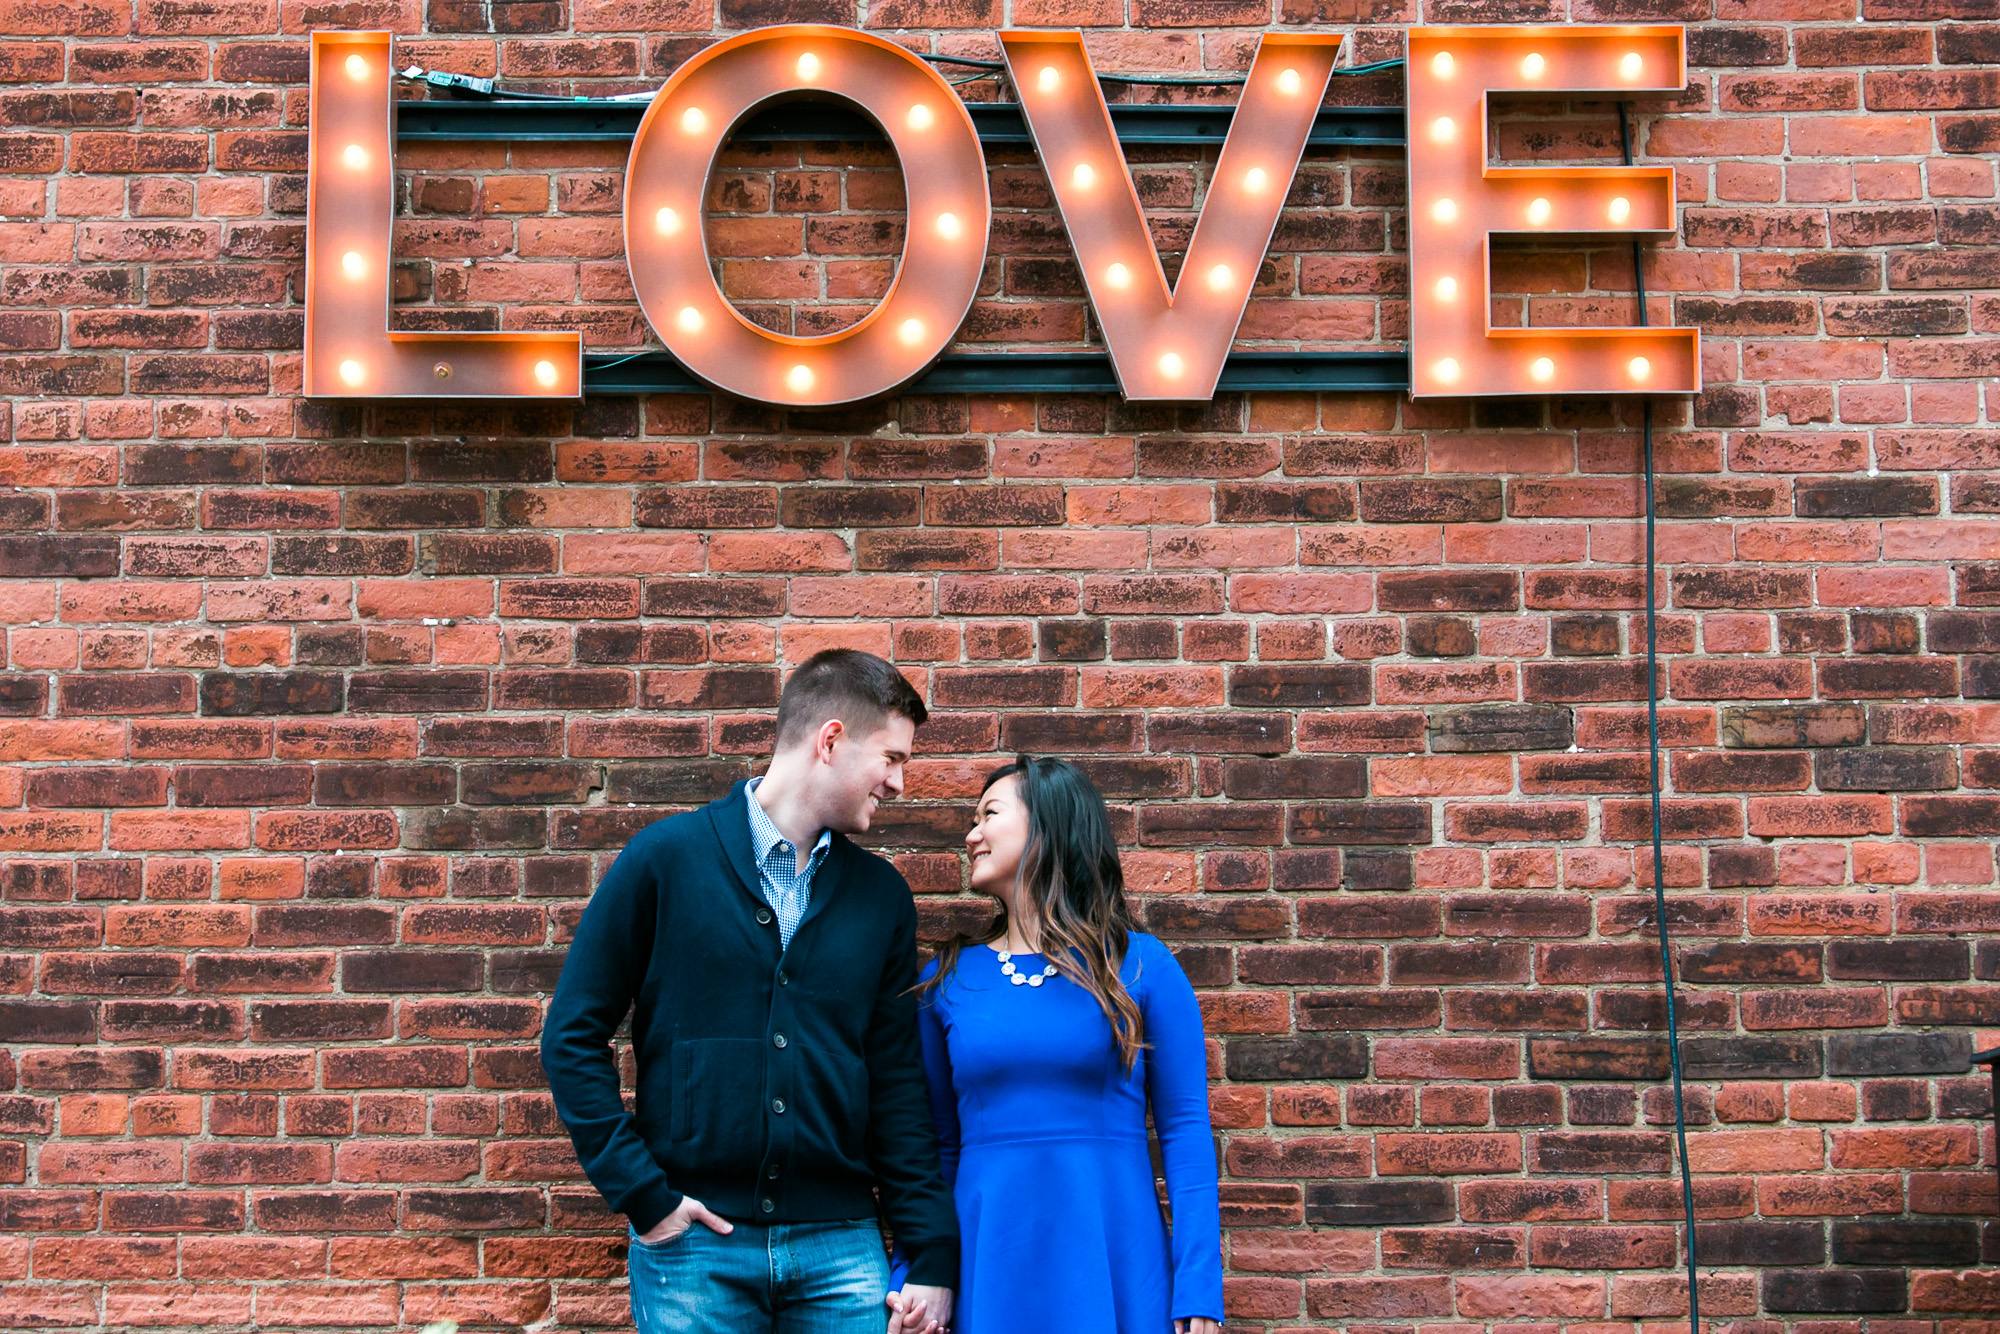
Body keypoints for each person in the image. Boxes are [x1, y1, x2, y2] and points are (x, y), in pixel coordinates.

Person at [541, 649, 959, 1334]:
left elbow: (896, 1081)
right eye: (892, 757)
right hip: (694, 1247)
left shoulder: (880, 897)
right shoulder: (665, 861)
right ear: (830, 741)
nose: (899, 782)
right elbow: (571, 1038)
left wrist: (933, 1251)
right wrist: (645, 1197)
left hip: (842, 1246)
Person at [885, 756, 1224, 1334]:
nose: (971, 834)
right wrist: (912, 1271)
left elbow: (1185, 1131)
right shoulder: (945, 982)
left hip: (1115, 1251)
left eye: (988, 814)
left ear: (1047, 826)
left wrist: (1198, 1286)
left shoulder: (1142, 965)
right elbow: (936, 1150)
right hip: (988, 1255)